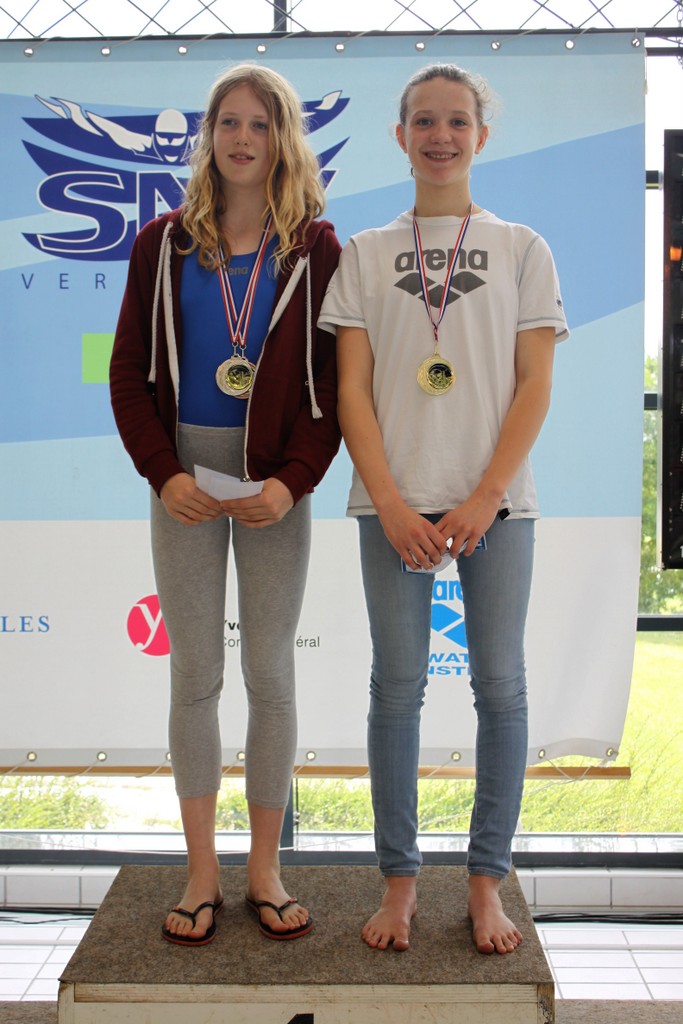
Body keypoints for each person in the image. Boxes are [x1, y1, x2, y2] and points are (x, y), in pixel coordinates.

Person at [319, 63, 568, 954]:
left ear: (480, 136)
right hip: (391, 507)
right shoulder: (362, 252)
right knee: (397, 689)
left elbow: (534, 384)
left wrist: (485, 495)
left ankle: (485, 884)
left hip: (496, 506)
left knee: (500, 688)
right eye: (423, 121)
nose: (440, 136)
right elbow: (350, 391)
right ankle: (399, 885)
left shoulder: (521, 247)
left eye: (456, 121)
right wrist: (388, 503)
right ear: (399, 136)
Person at [110, 63, 341, 945]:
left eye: (260, 123)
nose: (242, 139)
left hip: (274, 480)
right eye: (228, 122)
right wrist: (163, 472)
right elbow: (127, 374)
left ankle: (264, 870)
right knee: (195, 675)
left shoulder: (315, 250)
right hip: (184, 478)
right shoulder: (162, 244)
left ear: (283, 139)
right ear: (207, 136)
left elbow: (332, 388)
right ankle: (202, 870)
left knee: (269, 673)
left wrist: (291, 481)